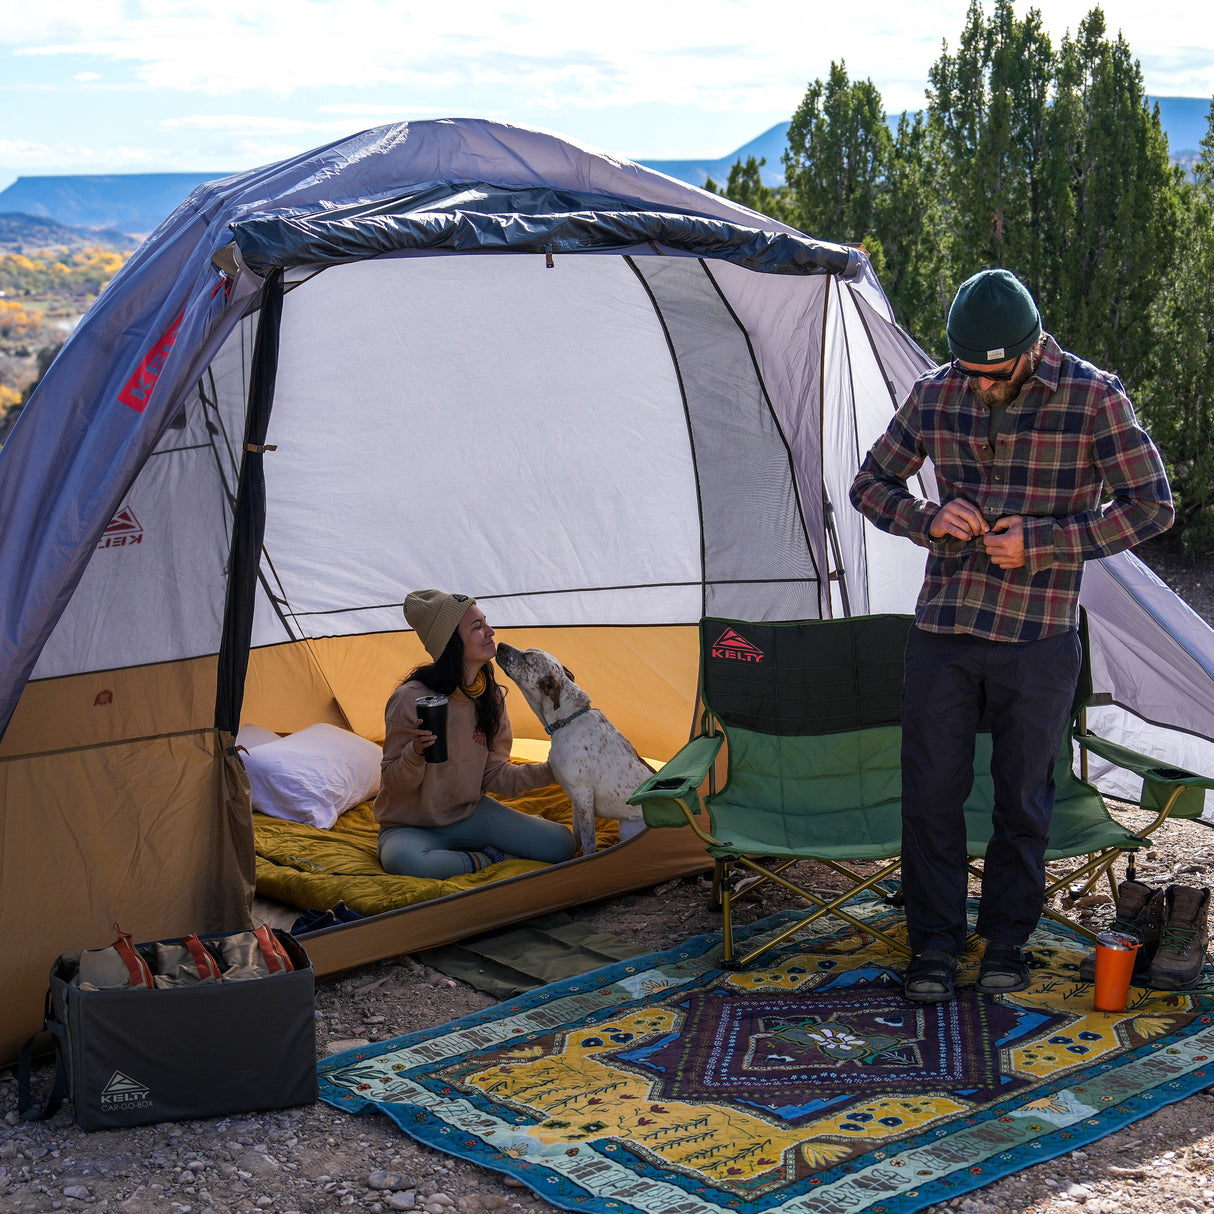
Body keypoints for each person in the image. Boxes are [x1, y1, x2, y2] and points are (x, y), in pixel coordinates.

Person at [849, 268, 1173, 1003]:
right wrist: (924, 519)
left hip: (1040, 636)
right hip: (945, 629)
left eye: (996, 374)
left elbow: (1152, 506)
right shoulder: (936, 392)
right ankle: (933, 943)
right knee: (930, 797)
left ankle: (1007, 942)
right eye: (972, 373)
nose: (983, 386)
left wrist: (1047, 543)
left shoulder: (1094, 397)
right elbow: (870, 485)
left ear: (1030, 350)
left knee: (1023, 799)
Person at [374, 588, 576, 879]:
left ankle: (476, 853)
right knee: (405, 862)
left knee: (561, 845)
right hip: (410, 827)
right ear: (451, 642)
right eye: (477, 627)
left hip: (470, 815)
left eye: (486, 622)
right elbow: (394, 784)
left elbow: (496, 775)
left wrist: (551, 770)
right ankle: (488, 859)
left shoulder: (490, 696)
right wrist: (415, 754)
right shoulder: (409, 699)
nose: (491, 632)